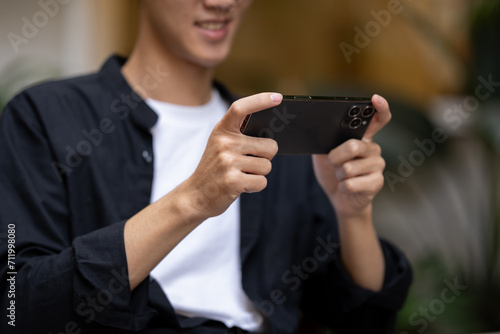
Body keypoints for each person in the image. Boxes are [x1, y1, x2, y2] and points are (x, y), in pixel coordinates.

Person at [0, 0, 412, 333]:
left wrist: (352, 213)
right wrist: (194, 199)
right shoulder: (45, 117)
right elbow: (17, 305)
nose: (222, 3)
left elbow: (364, 317)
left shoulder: (276, 135)